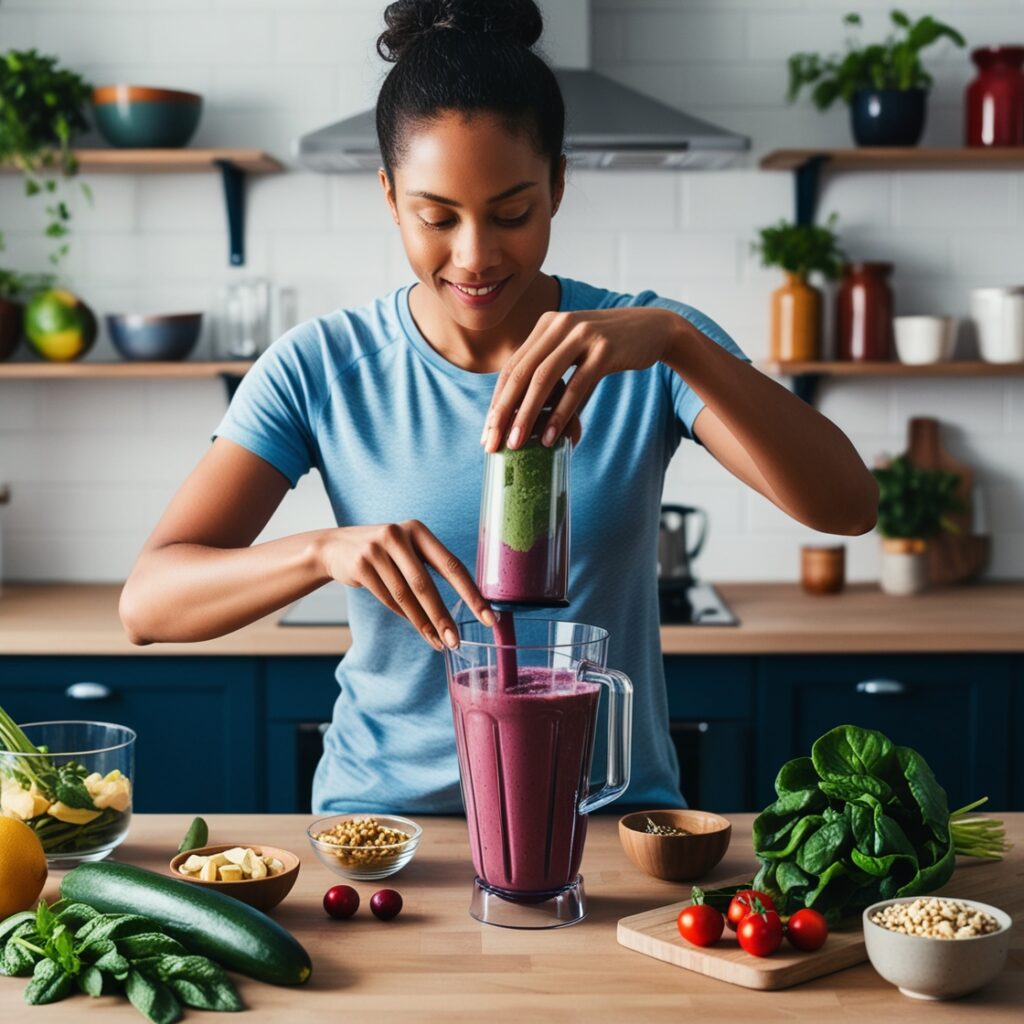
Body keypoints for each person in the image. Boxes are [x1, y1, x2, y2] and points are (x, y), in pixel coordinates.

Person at [119, 0, 878, 814]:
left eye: (512, 213)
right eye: (435, 217)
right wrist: (324, 553)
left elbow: (847, 506)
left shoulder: (649, 350)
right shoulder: (322, 366)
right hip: (389, 834)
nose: (475, 256)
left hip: (605, 823)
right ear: (388, 196)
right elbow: (149, 604)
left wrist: (680, 343)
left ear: (558, 183)